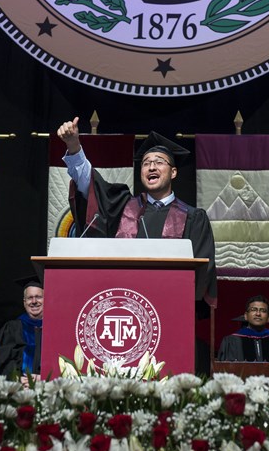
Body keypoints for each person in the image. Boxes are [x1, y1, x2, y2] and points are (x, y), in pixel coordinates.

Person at [57, 117, 217, 309]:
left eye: (159, 162)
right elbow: (90, 186)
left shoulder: (193, 218)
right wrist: (74, 147)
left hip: (173, 308)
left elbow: (202, 270)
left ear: (173, 172)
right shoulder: (123, 206)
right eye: (146, 163)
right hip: (123, 305)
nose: (151, 167)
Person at [217, 295, 269, 362]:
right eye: (253, 309)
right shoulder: (231, 342)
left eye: (263, 311)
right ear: (246, 316)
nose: (258, 314)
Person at [0, 279, 44, 377]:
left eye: (38, 297)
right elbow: (2, 361)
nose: (34, 301)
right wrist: (16, 378)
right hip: (20, 386)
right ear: (24, 302)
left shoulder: (54, 330)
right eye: (30, 298)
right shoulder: (12, 328)